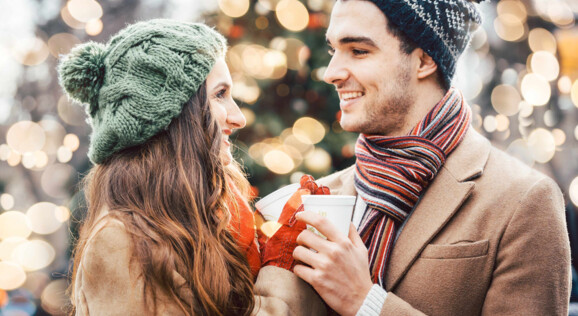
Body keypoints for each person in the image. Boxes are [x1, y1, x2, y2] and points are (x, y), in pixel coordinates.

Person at [279, 0, 571, 315]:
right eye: (332, 50)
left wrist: (366, 303)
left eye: (358, 51)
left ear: (424, 60)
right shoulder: (320, 195)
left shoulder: (523, 200)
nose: (332, 72)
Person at [58, 19, 325, 315]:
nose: (239, 117)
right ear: (173, 116)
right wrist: (282, 264)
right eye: (220, 94)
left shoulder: (217, 219)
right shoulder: (123, 242)